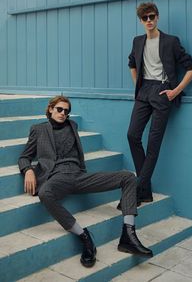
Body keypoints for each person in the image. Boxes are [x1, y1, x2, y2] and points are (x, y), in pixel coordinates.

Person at [18, 96, 153, 268]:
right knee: (45, 193)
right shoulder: (38, 129)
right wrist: (28, 170)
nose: (63, 113)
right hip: (57, 177)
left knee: (128, 177)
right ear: (50, 109)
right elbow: (24, 156)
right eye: (59, 109)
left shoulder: (72, 126)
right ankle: (85, 238)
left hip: (80, 176)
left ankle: (128, 235)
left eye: (66, 111)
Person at [127, 2, 192, 204]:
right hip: (144, 91)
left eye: (151, 17)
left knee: (153, 144)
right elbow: (132, 63)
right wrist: (138, 85)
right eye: (144, 18)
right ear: (141, 21)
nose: (148, 21)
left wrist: (175, 91)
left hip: (163, 91)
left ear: (157, 17)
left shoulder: (171, 41)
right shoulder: (138, 41)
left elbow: (191, 68)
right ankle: (144, 189)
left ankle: (138, 191)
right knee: (132, 135)